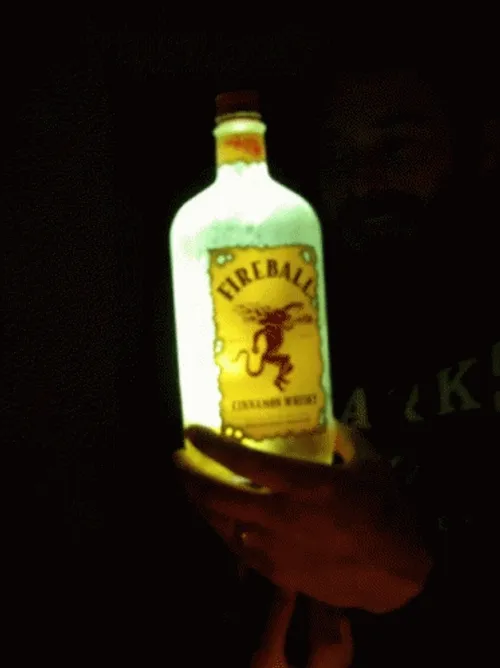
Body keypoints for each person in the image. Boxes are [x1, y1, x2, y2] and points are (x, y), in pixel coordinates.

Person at [174, 65, 499, 666]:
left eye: (396, 146)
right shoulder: (299, 306)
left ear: (481, 148)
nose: (364, 181)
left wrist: (414, 581)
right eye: (339, 157)